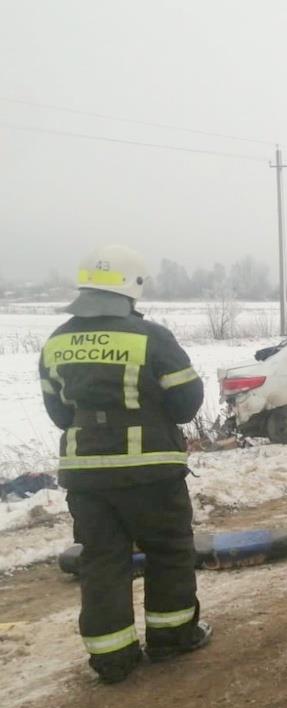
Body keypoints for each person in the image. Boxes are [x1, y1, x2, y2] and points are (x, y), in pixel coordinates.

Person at [39, 245, 211, 684]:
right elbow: (186, 403)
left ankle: (112, 658)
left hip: (87, 478)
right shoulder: (152, 338)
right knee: (169, 551)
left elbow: (59, 414)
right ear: (131, 291)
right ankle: (172, 638)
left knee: (101, 560)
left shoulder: (56, 342)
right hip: (151, 470)